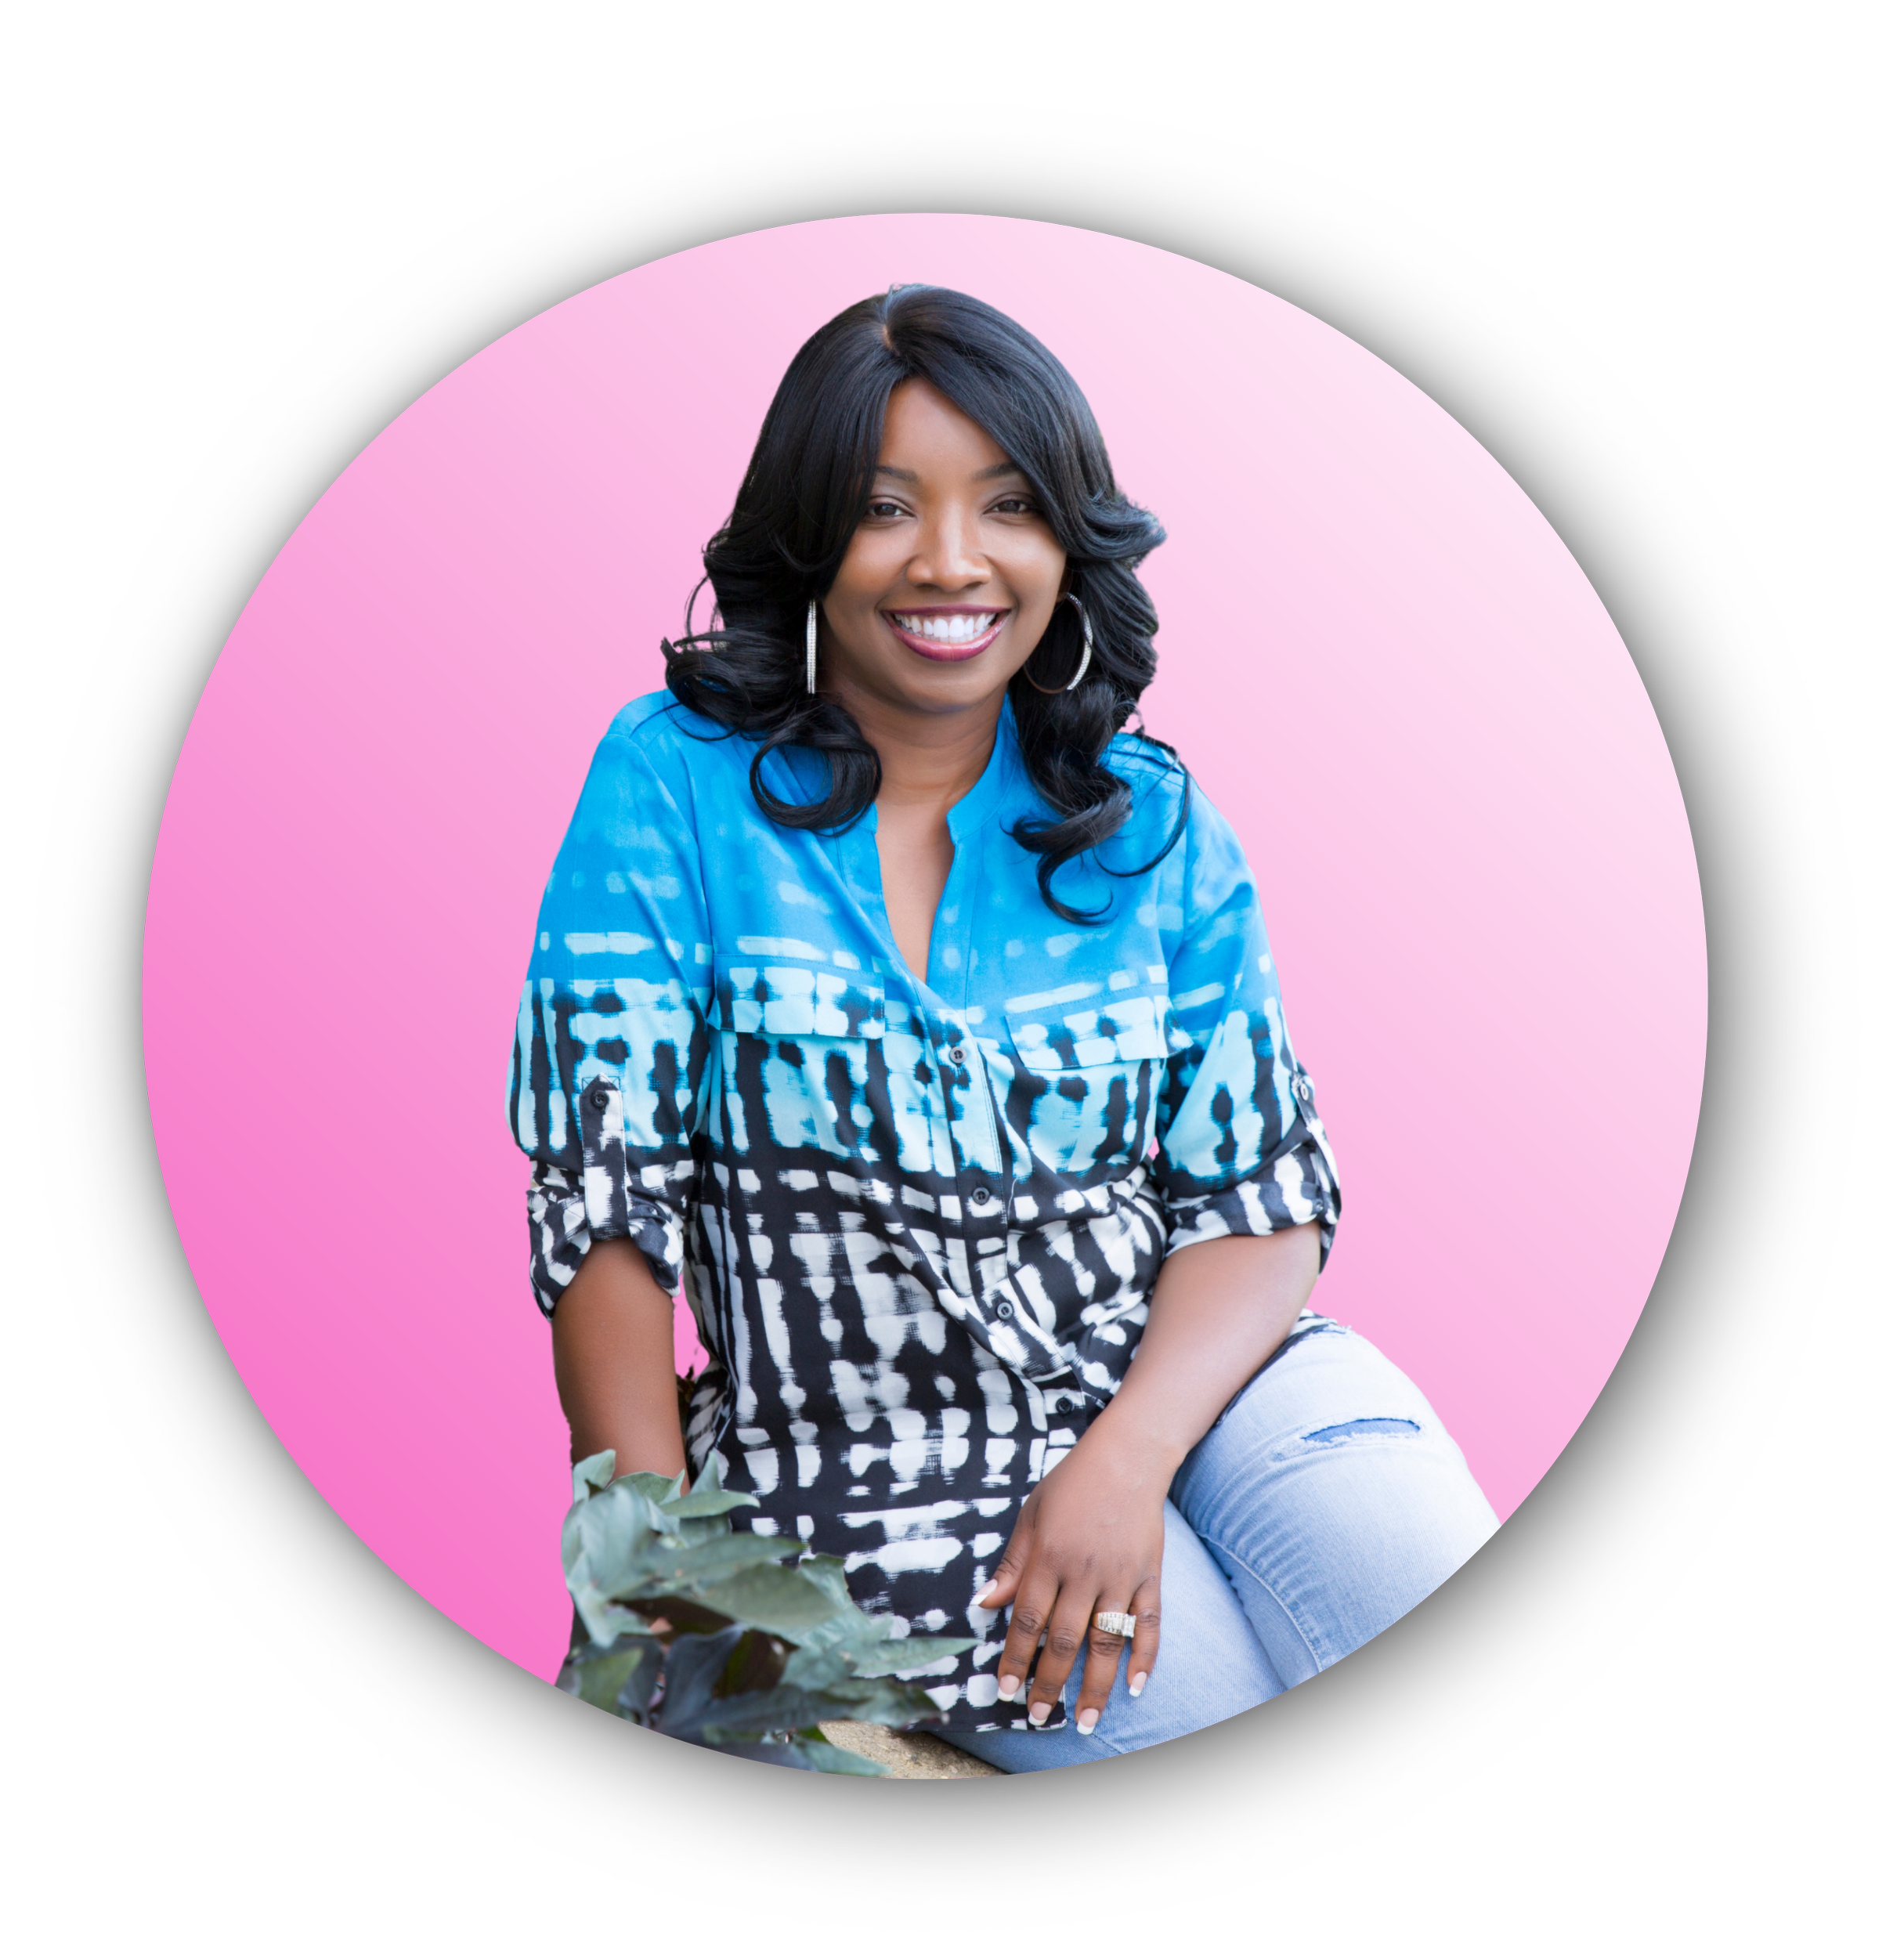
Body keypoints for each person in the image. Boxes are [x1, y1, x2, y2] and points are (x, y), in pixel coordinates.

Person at [510, 285, 1498, 1771]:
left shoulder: (1151, 821)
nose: (953, 562)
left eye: (1011, 506)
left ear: (1065, 545)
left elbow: (1262, 1193)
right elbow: (605, 1197)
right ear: (810, 538)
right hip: (880, 1464)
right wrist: (657, 1558)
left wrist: (1127, 1457)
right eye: (887, 507)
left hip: (1208, 1386)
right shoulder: (673, 783)